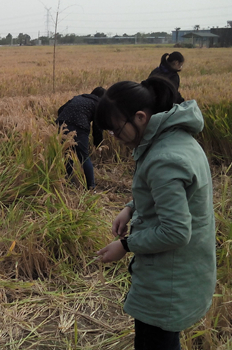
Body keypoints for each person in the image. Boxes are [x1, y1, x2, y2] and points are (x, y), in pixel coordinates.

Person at [95, 76, 215, 350]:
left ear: (139, 117)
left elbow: (175, 231)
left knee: (156, 342)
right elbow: (165, 194)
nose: (114, 138)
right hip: (181, 271)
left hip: (167, 281)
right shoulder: (176, 138)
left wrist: (125, 245)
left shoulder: (164, 157)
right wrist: (130, 207)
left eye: (116, 129)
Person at [56, 87, 105, 189]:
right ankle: (91, 187)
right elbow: (97, 127)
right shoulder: (97, 104)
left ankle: (70, 182)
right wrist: (98, 144)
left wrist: (66, 121)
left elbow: (60, 109)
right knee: (84, 157)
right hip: (79, 127)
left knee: (67, 154)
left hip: (62, 125)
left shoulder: (78, 97)